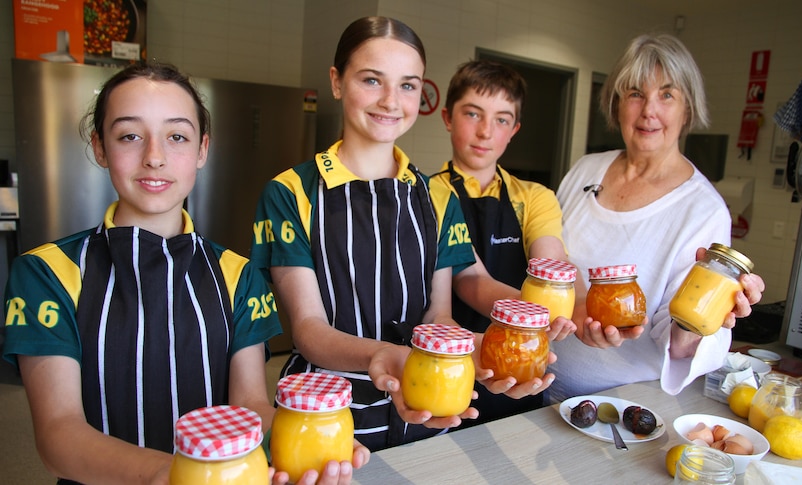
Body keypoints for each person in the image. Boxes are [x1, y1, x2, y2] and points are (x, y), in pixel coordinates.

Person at [2, 62, 367, 485]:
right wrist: (170, 475)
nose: (154, 157)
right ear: (100, 147)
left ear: (202, 150)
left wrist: (306, 438)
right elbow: (59, 436)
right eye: (129, 136)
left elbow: (247, 405)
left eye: (176, 136)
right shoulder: (46, 274)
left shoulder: (238, 275)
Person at [249, 17, 480, 452]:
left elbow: (438, 315)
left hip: (427, 415)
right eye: (372, 80)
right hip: (326, 425)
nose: (391, 101)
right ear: (337, 82)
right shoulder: (291, 193)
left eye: (408, 86)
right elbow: (308, 329)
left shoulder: (438, 196)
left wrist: (473, 349)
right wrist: (381, 355)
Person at [548, 33, 765, 403]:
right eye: (635, 93)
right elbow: (549, 264)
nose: (649, 110)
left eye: (667, 94)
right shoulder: (586, 170)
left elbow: (678, 341)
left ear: (687, 109)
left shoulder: (703, 210)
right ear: (616, 103)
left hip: (623, 411)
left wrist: (703, 321)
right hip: (540, 392)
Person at [429, 60, 578, 424]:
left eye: (501, 119)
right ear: (448, 118)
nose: (485, 132)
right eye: (473, 114)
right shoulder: (424, 193)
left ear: (514, 129)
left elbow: (549, 266)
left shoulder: (535, 197)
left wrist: (555, 307)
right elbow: (469, 277)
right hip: (449, 359)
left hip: (522, 362)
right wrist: (532, 313)